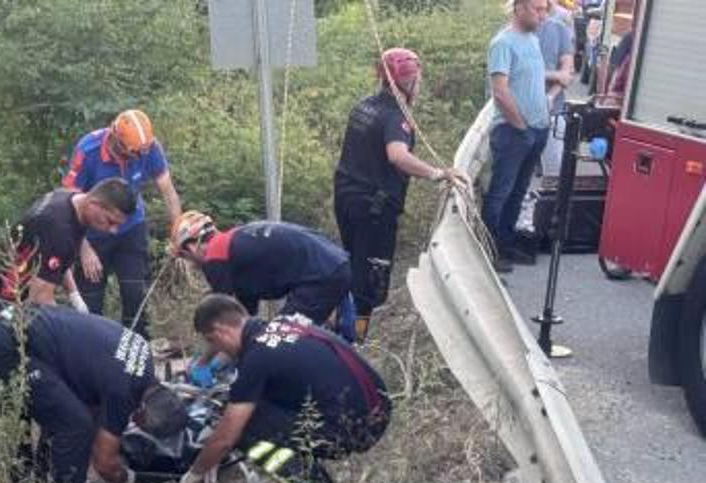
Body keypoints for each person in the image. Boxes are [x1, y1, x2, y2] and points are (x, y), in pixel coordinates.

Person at [0, 306, 187, 483]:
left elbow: (89, 403)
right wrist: (126, 478)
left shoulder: (143, 359)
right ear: (142, 411)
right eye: (140, 424)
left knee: (67, 414)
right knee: (75, 427)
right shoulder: (124, 391)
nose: (133, 423)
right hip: (5, 346)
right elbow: (103, 462)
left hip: (17, 320)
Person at [175, 295, 391, 483]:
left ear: (221, 332)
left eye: (213, 342)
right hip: (377, 407)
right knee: (259, 407)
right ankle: (296, 474)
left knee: (245, 428)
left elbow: (225, 438)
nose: (218, 350)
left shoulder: (256, 358)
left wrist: (196, 472)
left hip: (356, 428)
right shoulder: (283, 325)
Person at [334, 48, 470, 340]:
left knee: (352, 266)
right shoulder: (397, 117)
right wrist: (437, 173)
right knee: (369, 281)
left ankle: (341, 330)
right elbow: (397, 155)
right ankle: (354, 340)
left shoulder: (364, 106)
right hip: (373, 208)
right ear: (409, 82)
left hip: (346, 199)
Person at [63, 110, 183, 337]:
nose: (136, 158)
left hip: (131, 229)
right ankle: (93, 354)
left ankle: (136, 350)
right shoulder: (88, 150)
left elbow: (168, 191)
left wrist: (179, 233)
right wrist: (84, 248)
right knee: (91, 303)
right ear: (116, 140)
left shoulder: (148, 147)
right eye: (132, 154)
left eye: (141, 154)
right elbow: (69, 201)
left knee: (135, 293)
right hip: (92, 234)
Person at [0, 177, 137, 317]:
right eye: (110, 221)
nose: (113, 230)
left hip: (21, 289)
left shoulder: (71, 199)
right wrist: (70, 329)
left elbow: (56, 257)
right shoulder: (58, 227)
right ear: (94, 204)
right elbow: (40, 298)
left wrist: (75, 296)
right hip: (4, 300)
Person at [173, 211, 352, 326]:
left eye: (183, 255)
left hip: (322, 274)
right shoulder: (235, 245)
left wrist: (206, 363)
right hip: (335, 263)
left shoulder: (216, 256)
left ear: (191, 246)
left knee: (282, 338)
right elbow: (246, 316)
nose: (189, 263)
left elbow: (225, 322)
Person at [481, 0, 551, 273]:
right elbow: (500, 91)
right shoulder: (503, 43)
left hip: (536, 129)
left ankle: (506, 244)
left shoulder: (532, 39)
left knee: (518, 191)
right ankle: (488, 250)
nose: (542, 15)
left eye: (545, 9)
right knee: (500, 192)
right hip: (513, 132)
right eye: (537, 9)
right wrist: (521, 127)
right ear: (519, 7)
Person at [537, 0, 577, 176]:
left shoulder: (560, 26)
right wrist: (555, 75)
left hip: (553, 112)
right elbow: (518, 74)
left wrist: (550, 97)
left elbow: (568, 73)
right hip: (519, 115)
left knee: (555, 175)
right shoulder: (512, 33)